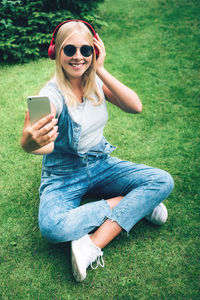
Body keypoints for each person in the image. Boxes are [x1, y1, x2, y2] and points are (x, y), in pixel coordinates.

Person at [21, 20, 174, 282]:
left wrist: (100, 70)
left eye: (86, 50)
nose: (78, 56)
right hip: (64, 175)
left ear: (95, 52)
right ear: (56, 52)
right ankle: (134, 204)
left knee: (163, 180)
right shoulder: (50, 96)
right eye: (70, 50)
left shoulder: (94, 83)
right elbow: (40, 142)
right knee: (53, 227)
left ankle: (90, 245)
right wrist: (30, 141)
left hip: (101, 163)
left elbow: (134, 106)